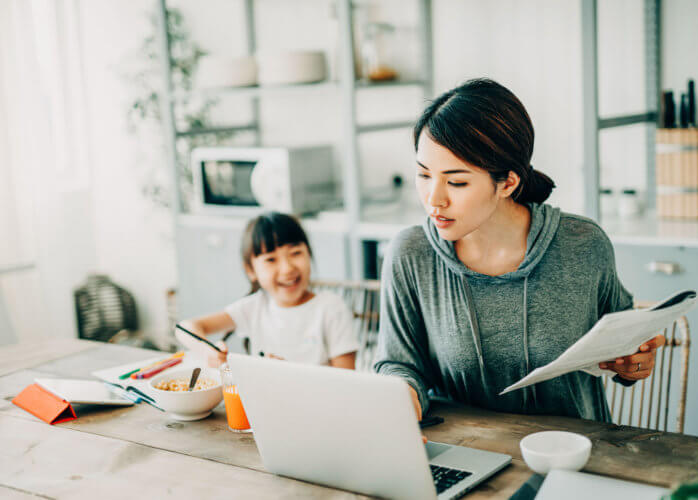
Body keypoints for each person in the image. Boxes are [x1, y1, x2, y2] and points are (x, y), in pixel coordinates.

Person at [373, 78, 665, 423]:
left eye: (456, 182)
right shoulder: (411, 254)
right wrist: (399, 405)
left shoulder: (582, 244)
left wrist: (633, 364)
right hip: (462, 453)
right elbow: (398, 364)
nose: (434, 199)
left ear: (508, 182)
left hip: (574, 453)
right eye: (424, 175)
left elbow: (624, 345)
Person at [176, 212, 359, 369]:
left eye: (295, 253)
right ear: (251, 270)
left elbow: (346, 382)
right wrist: (208, 352)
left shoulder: (331, 308)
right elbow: (185, 328)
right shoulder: (254, 307)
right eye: (271, 259)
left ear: (309, 254)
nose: (287, 268)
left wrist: (288, 375)